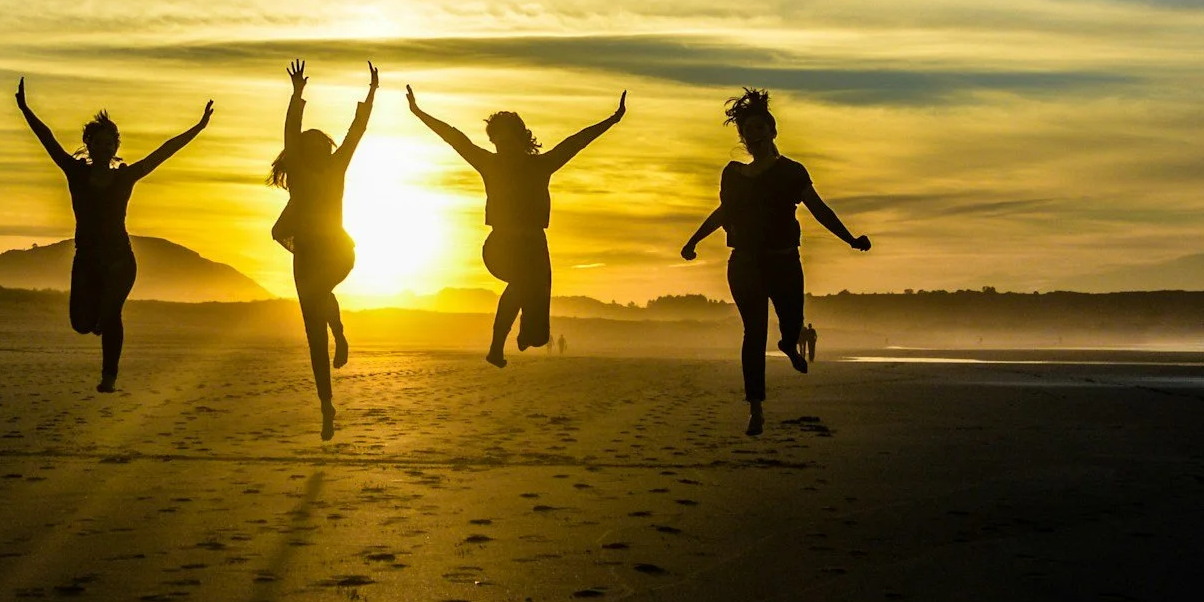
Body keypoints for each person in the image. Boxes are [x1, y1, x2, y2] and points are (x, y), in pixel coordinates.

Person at [679, 88, 870, 436]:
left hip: (784, 263)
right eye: (747, 130)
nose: (754, 135)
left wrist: (850, 239)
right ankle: (756, 410)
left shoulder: (792, 172)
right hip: (745, 263)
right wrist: (694, 240)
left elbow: (819, 209)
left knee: (792, 322)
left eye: (760, 128)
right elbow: (725, 212)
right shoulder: (733, 174)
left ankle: (788, 342)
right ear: (743, 136)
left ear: (772, 131)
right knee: (753, 332)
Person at [16, 78, 213, 392]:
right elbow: (48, 138)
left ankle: (109, 376)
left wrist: (198, 127)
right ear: (89, 143)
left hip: (120, 258)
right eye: (100, 143)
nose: (106, 148)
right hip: (86, 258)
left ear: (116, 148)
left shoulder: (126, 176)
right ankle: (97, 323)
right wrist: (25, 109)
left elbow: (163, 152)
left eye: (112, 144)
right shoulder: (75, 171)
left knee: (111, 314)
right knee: (81, 325)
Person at [407, 84, 625, 367]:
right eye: (496, 141)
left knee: (538, 336)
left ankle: (525, 333)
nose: (500, 146)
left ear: (518, 139)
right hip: (501, 246)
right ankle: (496, 347)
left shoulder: (541, 165)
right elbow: (454, 138)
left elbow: (576, 142)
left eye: (505, 139)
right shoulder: (489, 163)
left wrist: (613, 118)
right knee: (521, 282)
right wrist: (418, 112)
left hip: (535, 247)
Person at [270, 59, 377, 440]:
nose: (316, 146)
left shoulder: (336, 167)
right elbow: (289, 133)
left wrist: (370, 96)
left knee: (318, 294)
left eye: (321, 142)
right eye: (308, 143)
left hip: (338, 251)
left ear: (326, 148)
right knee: (314, 335)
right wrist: (297, 95)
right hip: (307, 258)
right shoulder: (298, 171)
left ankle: (341, 332)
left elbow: (355, 134)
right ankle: (326, 406)